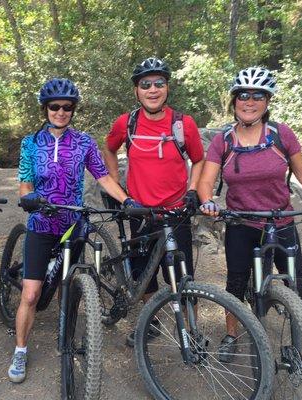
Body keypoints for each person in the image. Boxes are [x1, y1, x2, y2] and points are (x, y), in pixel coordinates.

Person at [197, 66, 302, 362]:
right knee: (236, 283)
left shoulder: (281, 134)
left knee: (297, 280)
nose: (249, 101)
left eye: (257, 95)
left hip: (280, 221)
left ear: (267, 101)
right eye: (243, 95)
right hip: (241, 221)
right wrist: (208, 200)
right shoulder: (223, 140)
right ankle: (231, 334)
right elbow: (205, 181)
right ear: (234, 100)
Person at [8, 78, 134, 383]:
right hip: (41, 222)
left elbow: (103, 178)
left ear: (73, 110)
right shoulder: (31, 142)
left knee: (69, 285)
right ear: (46, 109)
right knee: (31, 294)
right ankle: (21, 350)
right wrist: (27, 198)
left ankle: (70, 331)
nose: (61, 112)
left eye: (67, 107)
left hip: (73, 222)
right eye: (55, 107)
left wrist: (127, 200)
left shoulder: (85, 142)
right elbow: (25, 181)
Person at [102, 57, 204, 347]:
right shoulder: (127, 123)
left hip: (176, 211)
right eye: (145, 84)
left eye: (159, 83)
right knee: (143, 272)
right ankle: (152, 322)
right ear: (137, 91)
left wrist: (193, 190)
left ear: (167, 87)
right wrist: (115, 185)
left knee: (184, 275)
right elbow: (108, 149)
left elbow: (199, 160)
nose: (153, 89)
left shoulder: (183, 124)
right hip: (140, 211)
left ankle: (193, 332)